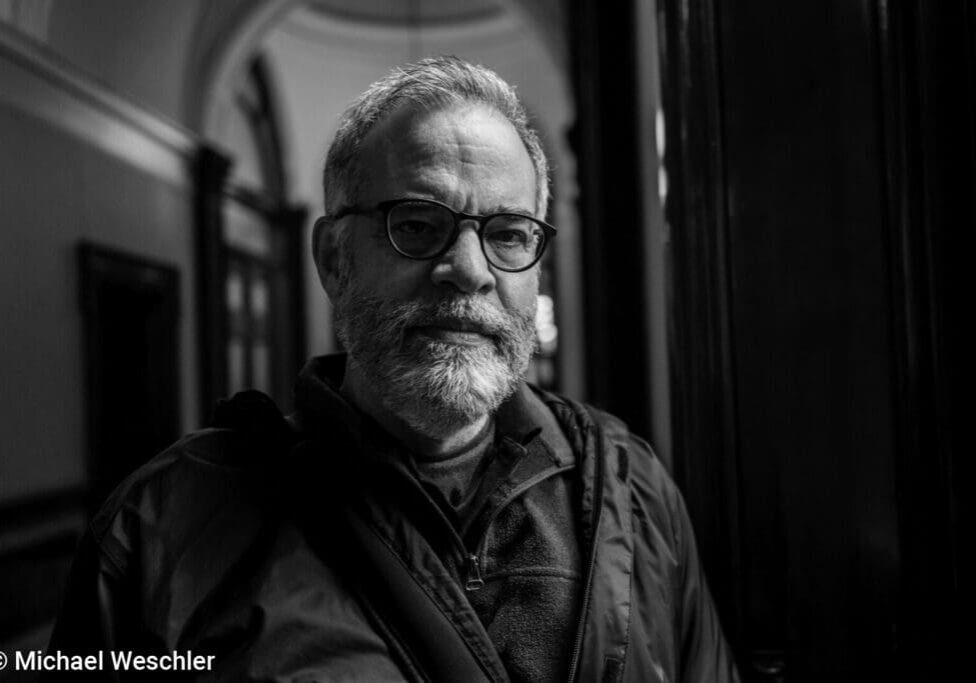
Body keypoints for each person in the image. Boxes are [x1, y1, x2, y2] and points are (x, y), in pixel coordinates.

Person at [48, 56, 739, 682]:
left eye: (507, 234)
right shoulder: (163, 529)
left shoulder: (632, 488)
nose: (468, 271)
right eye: (416, 223)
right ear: (331, 258)